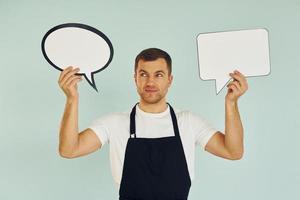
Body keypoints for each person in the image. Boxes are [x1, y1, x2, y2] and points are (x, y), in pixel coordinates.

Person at [58, 48, 248, 200]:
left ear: (169, 80)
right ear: (135, 78)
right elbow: (69, 149)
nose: (150, 81)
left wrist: (231, 103)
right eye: (143, 74)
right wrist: (71, 99)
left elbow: (233, 151)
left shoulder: (188, 122)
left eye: (158, 75)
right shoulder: (114, 123)